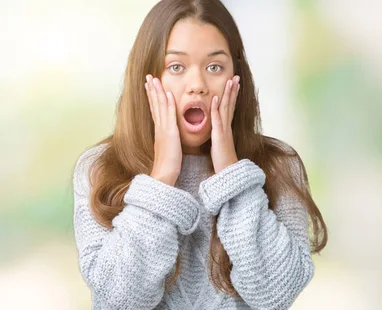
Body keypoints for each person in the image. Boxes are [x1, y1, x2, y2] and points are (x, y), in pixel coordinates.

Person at [72, 0, 327, 309]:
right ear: (147, 77)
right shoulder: (100, 167)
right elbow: (118, 301)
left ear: (237, 76)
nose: (197, 86)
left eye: (214, 67)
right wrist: (162, 178)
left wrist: (232, 174)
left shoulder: (279, 165)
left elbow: (275, 295)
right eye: (176, 67)